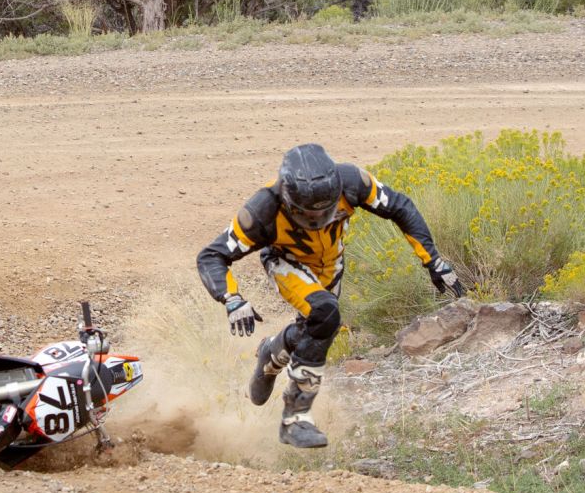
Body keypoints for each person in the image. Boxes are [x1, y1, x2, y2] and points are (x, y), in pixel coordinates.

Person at [195, 143, 465, 449]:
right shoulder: (262, 210)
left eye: (326, 208)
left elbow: (401, 207)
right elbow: (212, 256)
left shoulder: (353, 181)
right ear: (287, 199)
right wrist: (232, 299)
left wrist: (433, 259)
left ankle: (272, 353)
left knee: (318, 328)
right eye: (307, 212)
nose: (318, 216)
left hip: (331, 264)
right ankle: (295, 418)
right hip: (287, 262)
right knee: (325, 313)